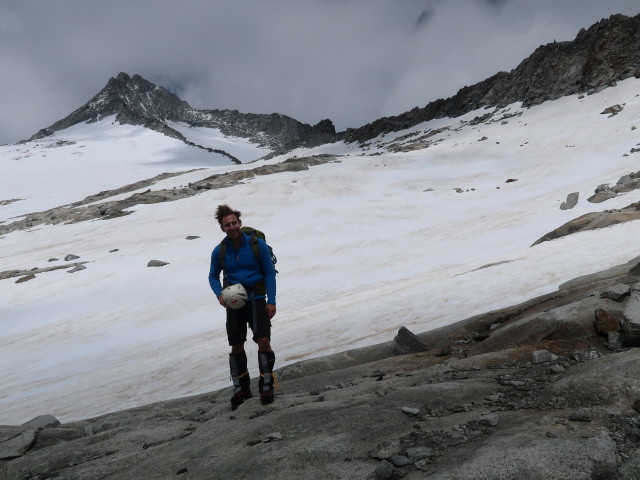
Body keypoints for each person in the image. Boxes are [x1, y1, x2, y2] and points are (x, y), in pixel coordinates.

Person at [208, 204, 277, 410]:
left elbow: (269, 272)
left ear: (240, 223)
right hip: (235, 301)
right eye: (227, 225)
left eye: (234, 223)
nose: (231, 227)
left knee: (263, 340)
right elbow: (212, 276)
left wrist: (271, 300)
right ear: (222, 228)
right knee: (236, 344)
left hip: (256, 297)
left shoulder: (257, 245)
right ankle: (242, 388)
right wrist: (219, 294)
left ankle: (266, 385)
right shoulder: (219, 250)